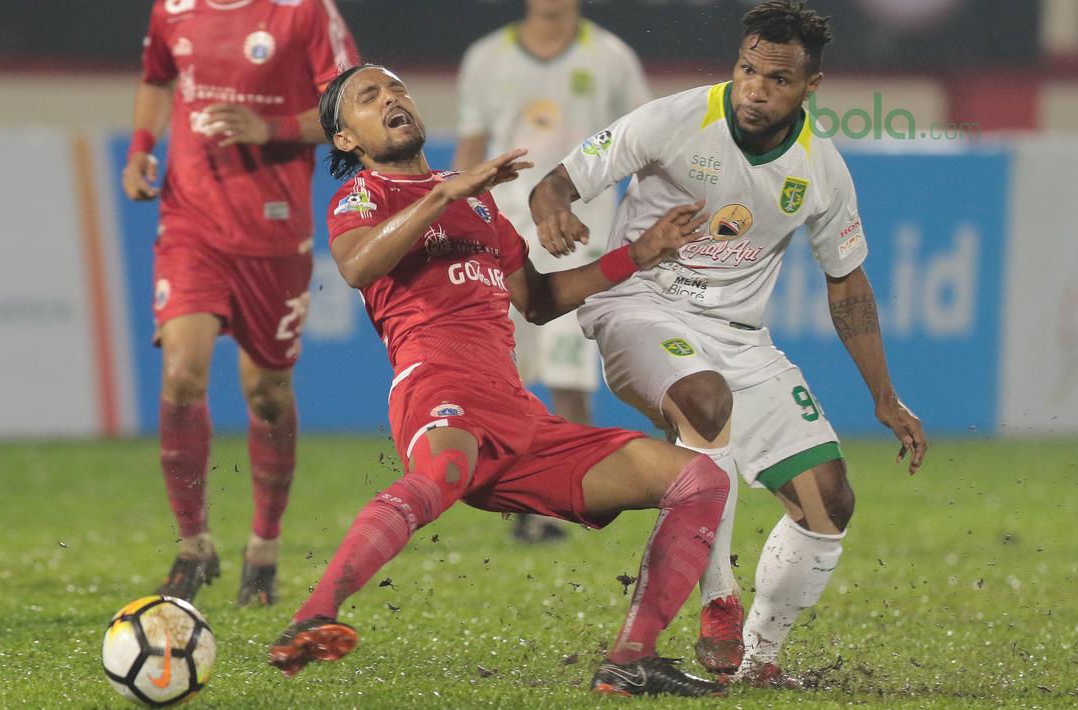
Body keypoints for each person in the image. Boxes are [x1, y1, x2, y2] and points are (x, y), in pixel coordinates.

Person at [267, 64, 728, 698]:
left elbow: (536, 301)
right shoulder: (363, 197)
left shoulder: (475, 200)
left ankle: (632, 658)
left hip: (516, 413)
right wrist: (442, 196)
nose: (391, 97)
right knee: (440, 475)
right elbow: (356, 266)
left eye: (396, 87)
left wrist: (637, 255)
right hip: (437, 385)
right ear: (346, 138)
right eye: (369, 97)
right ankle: (314, 615)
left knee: (699, 479)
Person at [528, 0, 928, 687]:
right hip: (639, 307)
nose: (755, 89)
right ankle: (718, 598)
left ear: (810, 87)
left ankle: (759, 660)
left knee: (828, 500)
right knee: (704, 400)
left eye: (777, 79)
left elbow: (847, 284)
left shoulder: (821, 168)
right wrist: (553, 212)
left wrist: (884, 397)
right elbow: (556, 184)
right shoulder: (673, 119)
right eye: (747, 70)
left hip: (739, 337)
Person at [121, 0, 358, 607]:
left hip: (273, 233)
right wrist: (142, 146)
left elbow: (350, 110)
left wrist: (269, 128)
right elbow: (156, 78)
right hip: (190, 223)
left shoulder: (304, 12)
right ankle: (193, 546)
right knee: (182, 372)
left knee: (267, 392)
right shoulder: (173, 9)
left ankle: (264, 547)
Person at [453, 0, 650, 543]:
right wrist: (460, 223)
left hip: (582, 240)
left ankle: (569, 502)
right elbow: (471, 150)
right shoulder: (486, 57)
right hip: (504, 241)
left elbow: (641, 145)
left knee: (569, 380)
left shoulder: (611, 57)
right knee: (502, 378)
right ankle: (516, 495)